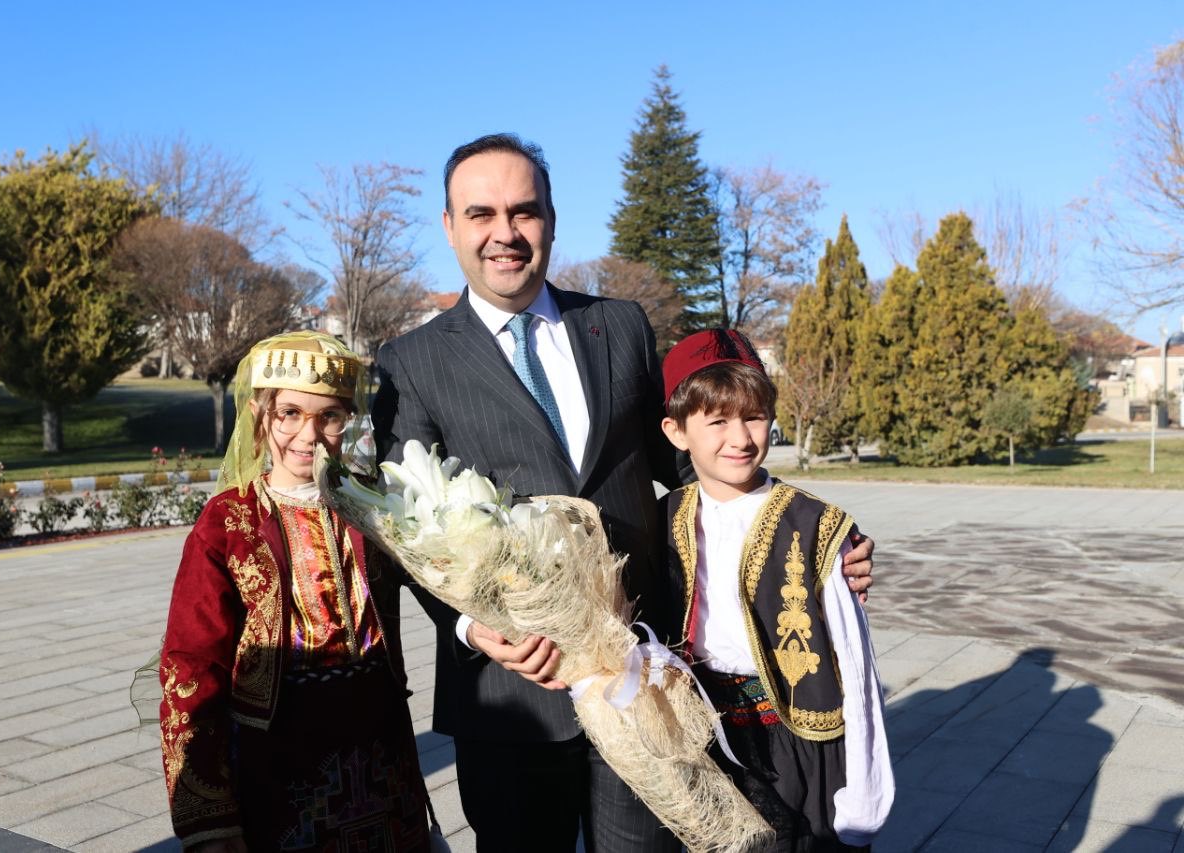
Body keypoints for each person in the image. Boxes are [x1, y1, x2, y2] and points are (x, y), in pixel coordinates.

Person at [371, 133, 875, 852]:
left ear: (551, 217)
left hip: (646, 677)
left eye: (524, 211)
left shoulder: (620, 327)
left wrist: (808, 537)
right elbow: (408, 528)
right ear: (450, 226)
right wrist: (471, 628)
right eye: (481, 214)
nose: (505, 234)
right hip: (514, 696)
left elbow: (693, 466)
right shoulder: (411, 361)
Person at [157, 331, 436, 852]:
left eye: (329, 416)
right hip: (279, 760)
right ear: (261, 416)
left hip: (381, 753)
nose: (309, 435)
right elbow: (191, 665)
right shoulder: (228, 522)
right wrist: (207, 816)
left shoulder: (371, 506)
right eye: (290, 413)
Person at [655, 329, 894, 851]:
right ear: (676, 432)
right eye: (716, 421)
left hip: (799, 738)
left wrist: (866, 793)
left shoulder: (816, 525)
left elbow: (855, 664)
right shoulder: (664, 517)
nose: (739, 438)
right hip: (703, 734)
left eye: (754, 417)